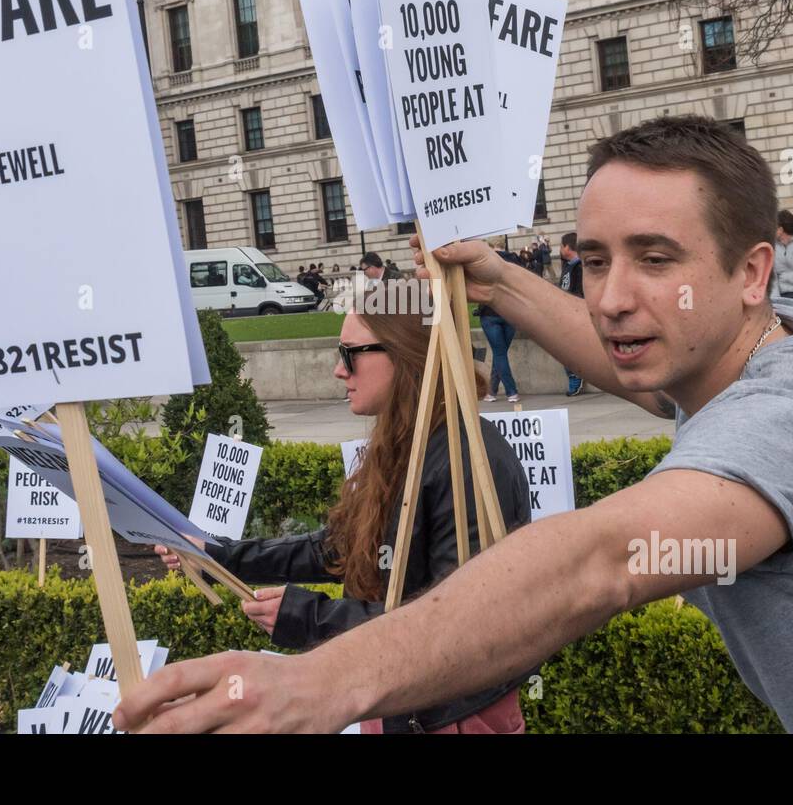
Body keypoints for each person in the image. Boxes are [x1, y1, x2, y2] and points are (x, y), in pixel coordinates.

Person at [115, 114, 793, 734]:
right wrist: (500, 278)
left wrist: (317, 680)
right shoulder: (792, 340)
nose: (613, 297)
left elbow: (600, 561)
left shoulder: (792, 423)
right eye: (593, 260)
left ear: (753, 271)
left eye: (655, 257)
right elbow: (632, 366)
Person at [157, 306, 532, 733]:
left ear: (406, 355)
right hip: (394, 697)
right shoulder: (406, 441)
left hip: (450, 715)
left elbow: (451, 629)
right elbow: (338, 547)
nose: (338, 370)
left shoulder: (469, 461)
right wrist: (221, 553)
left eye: (350, 353)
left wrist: (311, 618)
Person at [478, 239, 522, 403]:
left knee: (499, 353)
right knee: (500, 353)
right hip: (510, 312)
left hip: (489, 312)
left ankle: (511, 391)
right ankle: (492, 391)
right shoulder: (514, 259)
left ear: (489, 244)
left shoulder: (483, 261)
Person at [559, 232, 585, 396]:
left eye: (561, 246)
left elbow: (579, 291)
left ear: (567, 247)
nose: (560, 249)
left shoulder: (580, 267)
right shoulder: (568, 265)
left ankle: (575, 375)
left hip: (576, 310)